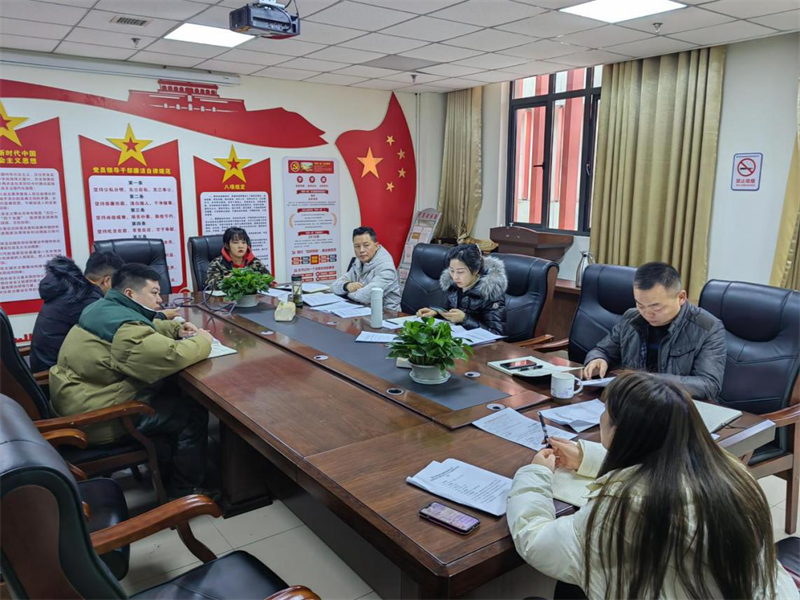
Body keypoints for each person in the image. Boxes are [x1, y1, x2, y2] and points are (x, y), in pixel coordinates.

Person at [507, 372, 797, 600]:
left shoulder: (625, 508)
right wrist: (586, 457)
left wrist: (536, 474)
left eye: (606, 412)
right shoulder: (731, 472)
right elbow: (661, 465)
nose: (602, 417)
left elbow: (537, 542)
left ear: (623, 431)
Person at [50, 263, 214, 499]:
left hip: (75, 399)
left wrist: (174, 329)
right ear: (130, 293)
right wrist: (203, 341)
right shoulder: (126, 330)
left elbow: (142, 326)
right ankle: (185, 492)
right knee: (191, 414)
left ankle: (169, 464)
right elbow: (171, 356)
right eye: (154, 293)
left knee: (171, 391)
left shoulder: (101, 307)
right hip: (97, 418)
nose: (159, 300)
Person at [582, 261, 726, 400]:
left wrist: (649, 380)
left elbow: (709, 385)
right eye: (640, 305)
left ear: (681, 297)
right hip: (633, 402)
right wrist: (598, 359)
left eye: (656, 307)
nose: (647, 313)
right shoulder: (631, 318)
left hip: (676, 406)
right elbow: (603, 350)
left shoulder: (708, 328)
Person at [30, 252, 124, 373]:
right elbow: (113, 337)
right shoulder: (87, 300)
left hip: (45, 364)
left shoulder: (74, 291)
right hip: (55, 374)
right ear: (107, 280)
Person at [417, 243, 506, 335]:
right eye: (452, 270)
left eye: (460, 272)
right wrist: (436, 313)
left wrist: (465, 319)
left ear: (476, 270)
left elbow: (496, 333)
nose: (455, 277)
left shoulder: (491, 293)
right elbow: (449, 311)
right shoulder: (453, 285)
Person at [331, 226, 401, 312]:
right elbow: (334, 286)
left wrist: (346, 293)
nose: (361, 250)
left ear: (376, 246)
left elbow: (364, 297)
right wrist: (347, 286)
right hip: (362, 310)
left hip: (387, 314)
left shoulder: (386, 268)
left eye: (366, 245)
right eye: (357, 246)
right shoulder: (359, 262)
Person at [204, 227, 271, 290]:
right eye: (235, 243)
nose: (241, 246)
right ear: (227, 246)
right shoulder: (218, 263)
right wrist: (228, 280)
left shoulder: (255, 262)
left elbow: (268, 281)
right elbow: (210, 285)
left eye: (244, 242)